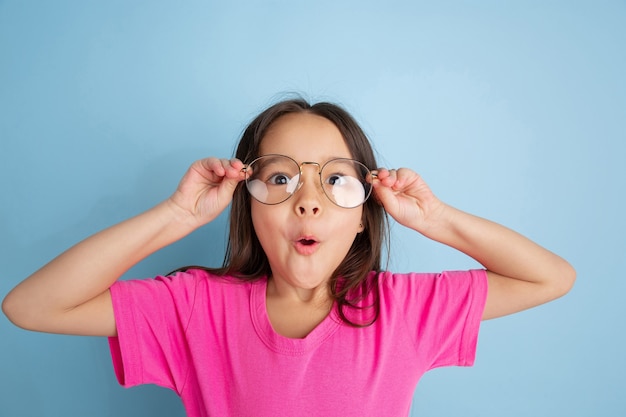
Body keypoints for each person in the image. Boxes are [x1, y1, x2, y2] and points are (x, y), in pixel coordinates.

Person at [2, 98, 575, 417]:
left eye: (334, 182)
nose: (306, 202)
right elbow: (30, 306)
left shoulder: (401, 311)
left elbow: (552, 277)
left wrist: (433, 218)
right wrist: (177, 216)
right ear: (247, 204)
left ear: (362, 212)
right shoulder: (197, 308)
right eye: (280, 177)